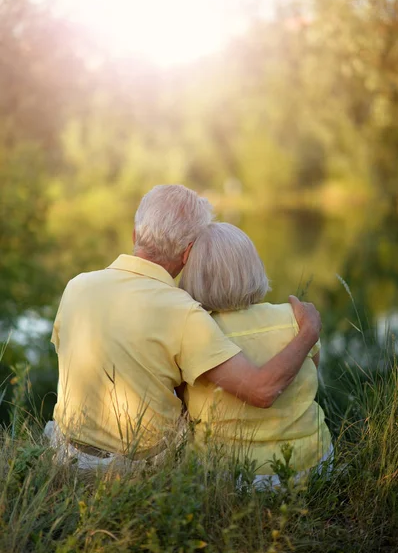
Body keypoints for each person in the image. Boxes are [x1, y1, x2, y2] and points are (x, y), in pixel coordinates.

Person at [48, 185, 322, 469]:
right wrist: (308, 333)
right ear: (189, 253)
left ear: (134, 235)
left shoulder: (77, 286)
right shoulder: (184, 312)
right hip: (137, 467)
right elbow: (261, 391)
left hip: (66, 452)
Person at [179, 222, 331, 485]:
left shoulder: (194, 332)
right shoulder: (296, 318)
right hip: (315, 463)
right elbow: (311, 371)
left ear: (193, 275)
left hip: (231, 473)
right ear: (252, 267)